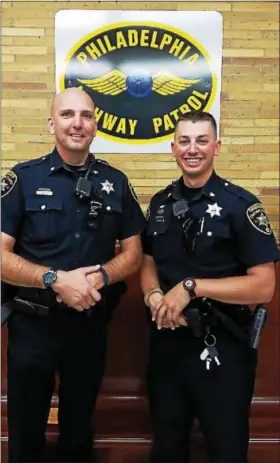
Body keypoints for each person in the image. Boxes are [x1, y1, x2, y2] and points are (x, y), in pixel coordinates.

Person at [1, 87, 145, 463]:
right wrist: (54, 279)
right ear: (52, 124)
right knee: (26, 431)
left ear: (96, 125)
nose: (77, 123)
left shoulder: (116, 182)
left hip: (89, 324)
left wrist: (100, 277)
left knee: (79, 429)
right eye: (67, 115)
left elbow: (133, 254)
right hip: (33, 325)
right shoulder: (22, 180)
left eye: (86, 115)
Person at [140, 110, 279, 463]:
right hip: (167, 346)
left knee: (226, 448)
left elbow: (264, 286)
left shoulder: (241, 205)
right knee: (168, 447)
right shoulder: (160, 205)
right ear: (173, 148)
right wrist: (153, 295)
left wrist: (191, 286)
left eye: (202, 140)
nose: (193, 149)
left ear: (217, 146)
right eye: (184, 141)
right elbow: (148, 261)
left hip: (224, 347)